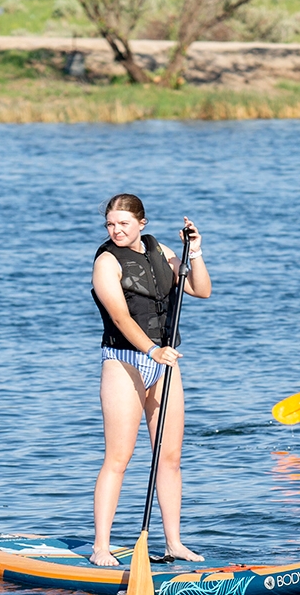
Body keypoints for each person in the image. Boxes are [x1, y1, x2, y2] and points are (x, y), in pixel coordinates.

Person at [89, 192, 210, 566]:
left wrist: (195, 252)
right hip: (125, 361)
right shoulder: (106, 261)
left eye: (123, 223)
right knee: (119, 458)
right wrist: (152, 351)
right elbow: (122, 318)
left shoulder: (162, 252)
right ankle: (100, 547)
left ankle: (173, 542)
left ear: (142, 223)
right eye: (111, 224)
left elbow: (201, 290)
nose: (116, 230)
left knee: (168, 457)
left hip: (166, 362)